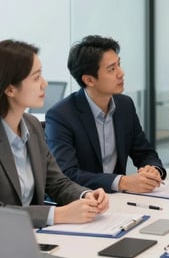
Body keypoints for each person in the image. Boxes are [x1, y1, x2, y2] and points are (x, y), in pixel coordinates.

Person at [0, 39, 109, 228]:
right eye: (36, 78)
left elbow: (57, 182)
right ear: (10, 88)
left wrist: (85, 196)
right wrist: (56, 214)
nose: (44, 83)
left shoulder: (32, 126)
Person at [45, 35, 167, 194]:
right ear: (89, 80)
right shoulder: (61, 115)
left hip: (121, 201)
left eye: (119, 65)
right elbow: (67, 174)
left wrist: (153, 169)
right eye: (112, 69)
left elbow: (144, 153)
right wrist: (121, 182)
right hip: (84, 203)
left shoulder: (125, 106)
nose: (121, 73)